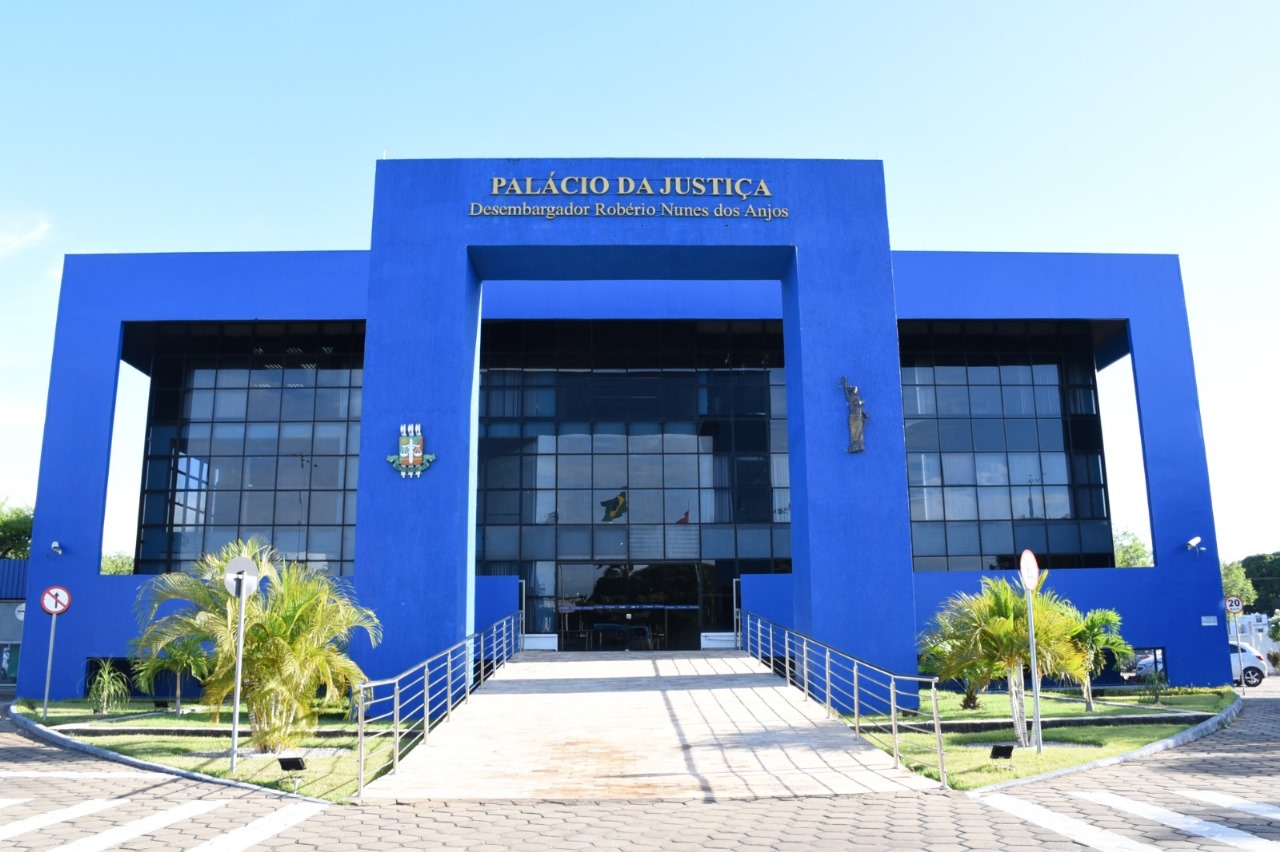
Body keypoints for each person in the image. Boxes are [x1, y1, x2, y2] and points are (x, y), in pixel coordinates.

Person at [840, 377, 869, 453]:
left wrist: (865, 415)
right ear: (853, 391)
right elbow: (846, 390)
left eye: (857, 390)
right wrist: (845, 382)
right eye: (855, 389)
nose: (857, 390)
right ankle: (854, 446)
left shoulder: (858, 399)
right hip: (853, 417)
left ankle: (860, 446)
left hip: (859, 417)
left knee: (859, 432)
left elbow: (860, 409)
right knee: (854, 433)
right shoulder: (851, 398)